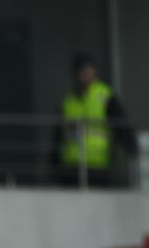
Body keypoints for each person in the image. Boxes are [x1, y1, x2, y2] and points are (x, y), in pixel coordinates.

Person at [57, 53, 137, 188]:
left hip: (98, 164)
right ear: (75, 74)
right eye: (83, 71)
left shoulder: (104, 96)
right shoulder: (68, 100)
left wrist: (131, 146)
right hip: (72, 164)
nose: (86, 75)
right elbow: (59, 133)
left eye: (89, 70)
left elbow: (120, 124)